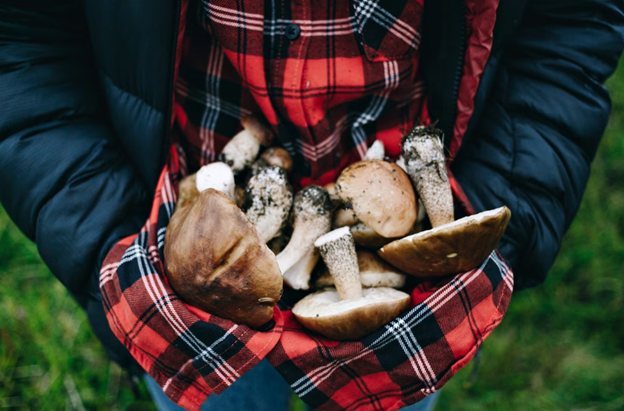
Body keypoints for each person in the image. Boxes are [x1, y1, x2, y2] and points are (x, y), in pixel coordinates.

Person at [1, 0, 623, 410]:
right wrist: (106, 243)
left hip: (407, 267)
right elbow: (23, 39)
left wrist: (494, 215)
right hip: (182, 251)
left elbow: (568, 22)